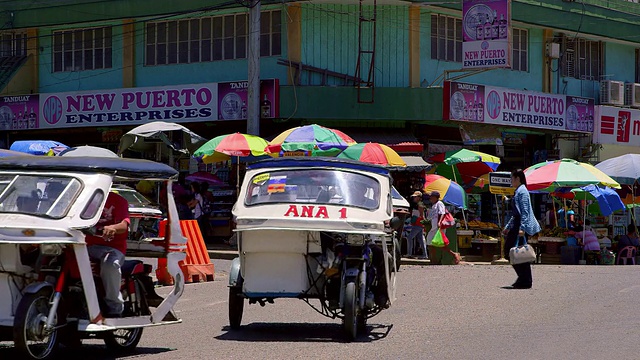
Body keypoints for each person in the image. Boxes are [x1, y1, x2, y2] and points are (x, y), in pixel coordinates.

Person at [86, 192, 130, 317]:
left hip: (112, 248)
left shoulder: (118, 200)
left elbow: (124, 225)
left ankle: (115, 307)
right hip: (84, 246)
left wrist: (113, 228)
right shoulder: (83, 197)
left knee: (110, 263)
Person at [503, 169, 541, 289]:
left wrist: (522, 228)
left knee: (517, 252)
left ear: (517, 178)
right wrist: (507, 227)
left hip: (520, 226)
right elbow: (516, 213)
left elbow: (524, 212)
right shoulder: (518, 191)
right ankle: (524, 279)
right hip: (516, 224)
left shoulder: (523, 192)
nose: (511, 181)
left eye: (512, 178)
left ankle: (525, 279)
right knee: (514, 252)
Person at [406, 191, 427, 259]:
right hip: (417, 224)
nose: (414, 198)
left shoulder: (420, 204)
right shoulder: (417, 204)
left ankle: (409, 254)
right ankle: (425, 255)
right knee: (421, 240)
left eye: (415, 197)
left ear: (419, 198)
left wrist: (424, 224)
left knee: (409, 237)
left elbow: (422, 215)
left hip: (418, 224)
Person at [426, 191, 446, 261]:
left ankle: (452, 255)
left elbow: (442, 213)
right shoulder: (434, 205)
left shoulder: (439, 203)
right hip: (433, 227)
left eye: (432, 196)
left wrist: (439, 222)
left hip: (438, 227)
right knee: (430, 242)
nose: (430, 198)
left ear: (435, 197)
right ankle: (433, 258)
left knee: (440, 244)